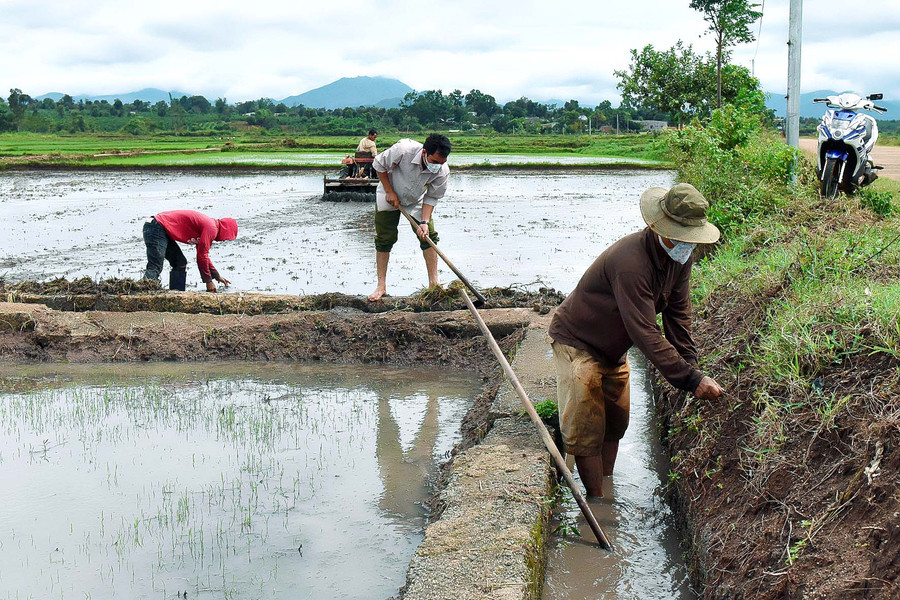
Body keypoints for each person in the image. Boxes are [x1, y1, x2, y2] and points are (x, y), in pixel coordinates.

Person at [548, 183, 724, 497]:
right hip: (578, 343)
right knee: (586, 428)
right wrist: (688, 378)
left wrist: (692, 369)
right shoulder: (631, 262)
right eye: (681, 236)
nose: (687, 245)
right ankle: (597, 502)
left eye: (690, 238)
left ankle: (607, 485)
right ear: (660, 227)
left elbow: (678, 316)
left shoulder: (679, 259)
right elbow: (644, 331)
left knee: (615, 423)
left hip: (614, 350)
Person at [367, 133, 451, 302]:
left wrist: (425, 222)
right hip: (388, 192)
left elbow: (432, 196)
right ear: (424, 152)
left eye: (441, 163)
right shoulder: (403, 150)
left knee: (428, 237)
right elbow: (379, 165)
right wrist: (390, 191)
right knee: (385, 238)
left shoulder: (442, 170)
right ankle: (381, 285)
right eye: (434, 162)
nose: (437, 166)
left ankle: (434, 284)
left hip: (416, 199)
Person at [142, 210, 238, 292]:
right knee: (155, 265)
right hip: (156, 225)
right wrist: (208, 281)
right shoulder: (211, 228)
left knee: (180, 263)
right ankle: (144, 293)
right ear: (226, 230)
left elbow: (203, 255)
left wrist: (216, 275)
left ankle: (176, 294)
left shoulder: (210, 227)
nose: (224, 240)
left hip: (162, 229)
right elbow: (202, 256)